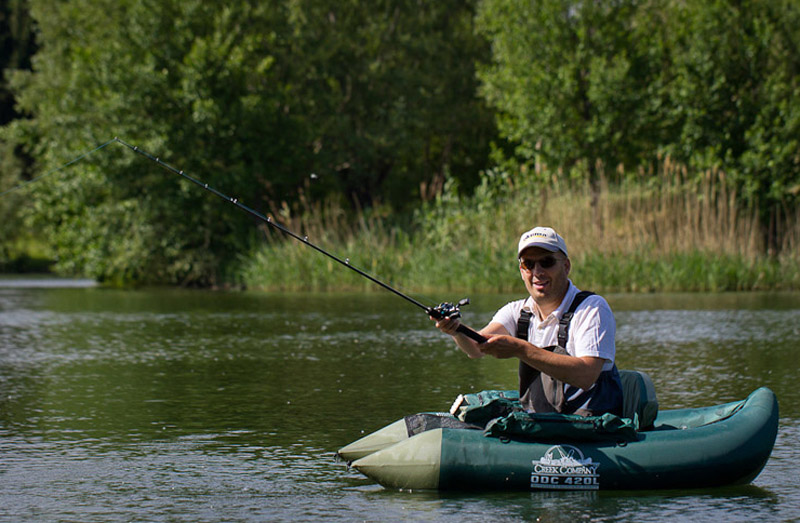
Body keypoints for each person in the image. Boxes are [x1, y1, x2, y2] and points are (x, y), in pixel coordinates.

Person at [431, 226, 623, 416]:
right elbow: (476, 346)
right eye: (528, 264)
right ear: (521, 270)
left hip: (592, 427)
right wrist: (456, 330)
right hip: (545, 424)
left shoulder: (593, 308)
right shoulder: (517, 311)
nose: (537, 272)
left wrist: (520, 349)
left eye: (546, 262)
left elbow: (586, 376)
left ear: (566, 266)